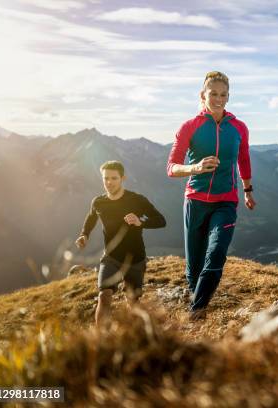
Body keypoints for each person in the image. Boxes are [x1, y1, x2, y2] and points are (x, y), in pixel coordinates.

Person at [167, 71, 256, 320]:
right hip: (195, 201)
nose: (218, 99)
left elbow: (244, 160)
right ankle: (199, 305)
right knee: (193, 268)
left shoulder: (238, 127)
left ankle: (196, 314)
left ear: (229, 97)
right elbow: (171, 167)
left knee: (216, 253)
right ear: (203, 95)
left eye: (223, 94)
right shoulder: (190, 127)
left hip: (226, 201)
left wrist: (248, 191)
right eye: (213, 94)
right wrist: (194, 168)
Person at [76, 160, 166, 325]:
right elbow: (91, 219)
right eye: (106, 178)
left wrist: (140, 221)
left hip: (136, 259)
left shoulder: (137, 200)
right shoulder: (98, 202)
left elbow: (161, 220)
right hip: (111, 258)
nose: (109, 183)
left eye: (114, 178)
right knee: (104, 295)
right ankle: (100, 340)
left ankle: (130, 337)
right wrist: (84, 235)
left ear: (122, 178)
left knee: (132, 302)